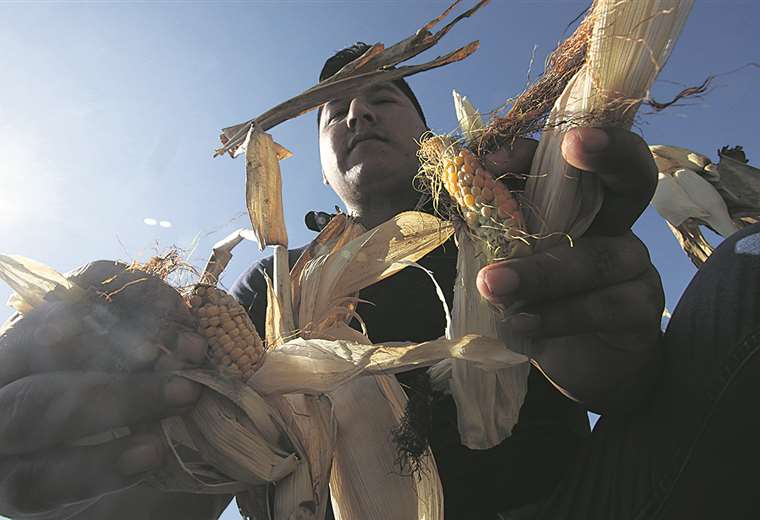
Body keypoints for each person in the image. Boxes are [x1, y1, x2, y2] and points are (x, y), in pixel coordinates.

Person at [0, 41, 754, 520]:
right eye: (333, 111)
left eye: (383, 96)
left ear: (430, 137)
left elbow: (634, 382)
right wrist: (95, 434)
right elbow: (193, 466)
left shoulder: (514, 223)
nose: (356, 112)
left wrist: (632, 379)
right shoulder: (276, 286)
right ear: (320, 161)